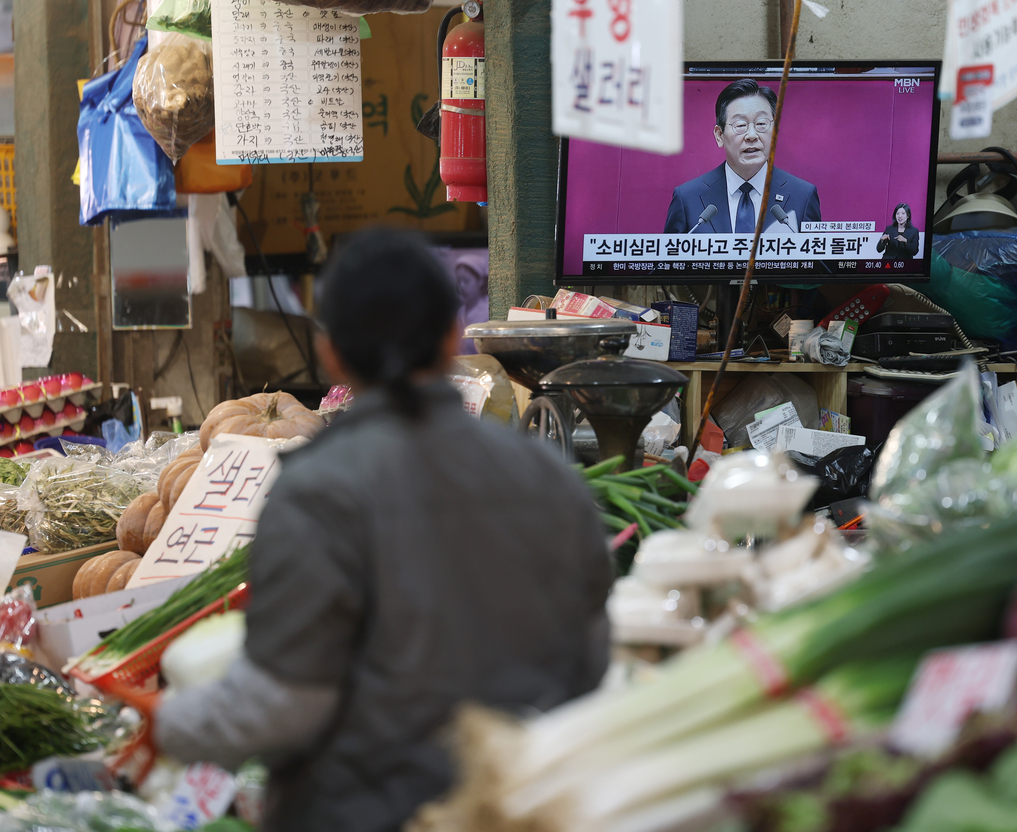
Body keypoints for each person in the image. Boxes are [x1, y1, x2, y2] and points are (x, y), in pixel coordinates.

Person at [149, 228, 614, 832]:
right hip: (519, 808)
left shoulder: (315, 490)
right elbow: (593, 658)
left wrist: (162, 722)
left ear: (330, 353)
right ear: (452, 335)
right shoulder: (550, 477)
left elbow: (282, 706)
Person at [663, 79, 821, 235]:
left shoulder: (802, 196)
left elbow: (817, 260)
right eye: (740, 125)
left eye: (761, 124)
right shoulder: (688, 199)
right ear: (719, 136)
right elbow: (669, 260)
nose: (752, 135)